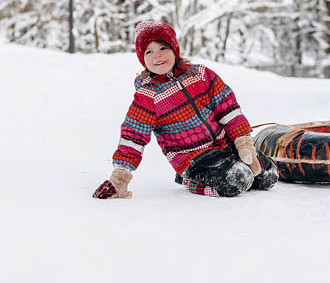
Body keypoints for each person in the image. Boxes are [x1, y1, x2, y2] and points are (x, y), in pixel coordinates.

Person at [93, 20, 278, 199]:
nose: (157, 55)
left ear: (174, 49)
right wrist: (120, 178)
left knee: (268, 174)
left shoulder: (201, 75)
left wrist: (242, 142)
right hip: (193, 159)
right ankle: (190, 181)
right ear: (142, 59)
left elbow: (228, 107)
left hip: (225, 146)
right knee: (238, 180)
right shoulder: (148, 95)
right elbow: (133, 134)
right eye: (149, 52)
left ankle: (235, 164)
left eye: (163, 48)